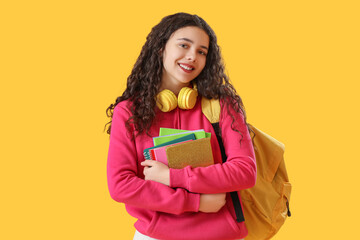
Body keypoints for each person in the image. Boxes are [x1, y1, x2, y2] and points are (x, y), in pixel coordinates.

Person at [105, 12, 256, 240]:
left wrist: (171, 177)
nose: (192, 56)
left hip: (222, 235)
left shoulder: (223, 105)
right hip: (155, 236)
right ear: (160, 48)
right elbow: (121, 185)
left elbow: (245, 171)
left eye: (201, 52)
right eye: (184, 45)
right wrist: (196, 202)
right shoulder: (128, 112)